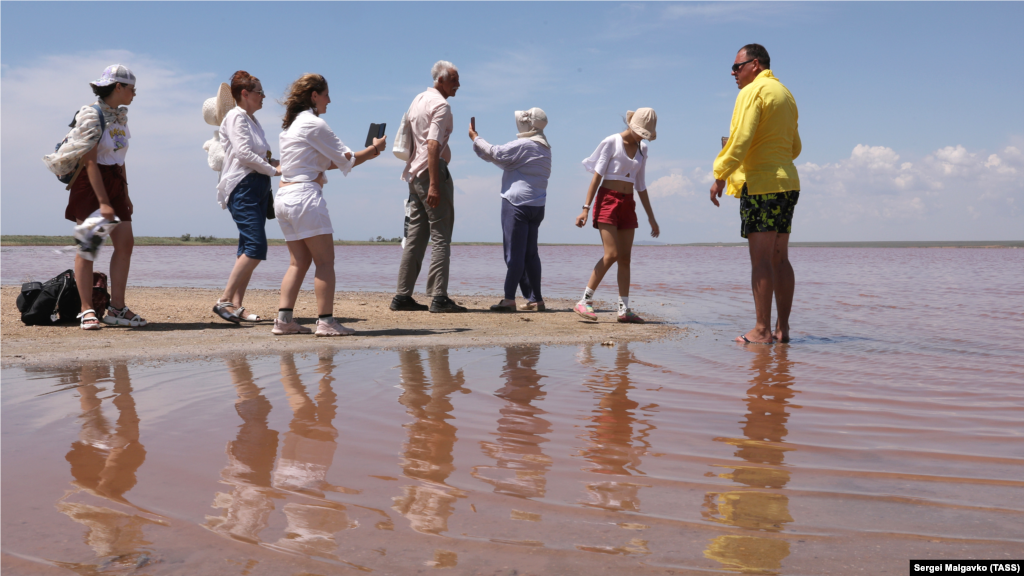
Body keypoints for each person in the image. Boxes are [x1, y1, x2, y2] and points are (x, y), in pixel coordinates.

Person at [272, 74, 386, 336]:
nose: (329, 100)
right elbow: (346, 157)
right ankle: (325, 322)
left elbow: (328, 162)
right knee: (325, 262)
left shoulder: (289, 128)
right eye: (326, 94)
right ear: (314, 95)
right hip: (304, 197)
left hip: (284, 198)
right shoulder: (314, 123)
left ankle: (284, 320)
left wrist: (366, 154)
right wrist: (375, 150)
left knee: (297, 262)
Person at [709, 44, 801, 344]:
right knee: (780, 259)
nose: (733, 73)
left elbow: (740, 140)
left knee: (760, 260)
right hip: (787, 183)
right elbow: (795, 147)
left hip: (762, 185)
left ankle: (761, 330)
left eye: (737, 66)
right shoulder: (785, 94)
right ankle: (782, 329)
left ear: (755, 64)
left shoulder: (751, 92)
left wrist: (720, 173)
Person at [44, 64, 146, 330]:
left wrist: (125, 194)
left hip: (115, 183)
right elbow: (89, 162)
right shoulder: (91, 115)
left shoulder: (121, 118)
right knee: (88, 246)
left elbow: (120, 160)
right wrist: (102, 202)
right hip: (90, 185)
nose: (135, 94)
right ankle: (86, 309)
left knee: (125, 244)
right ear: (119, 87)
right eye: (132, 89)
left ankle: (117, 309)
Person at [390, 61, 466, 314]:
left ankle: (402, 296)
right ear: (441, 80)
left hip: (413, 173)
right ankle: (439, 297)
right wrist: (435, 184)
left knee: (416, 236)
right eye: (454, 79)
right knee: (441, 236)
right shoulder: (441, 105)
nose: (458, 84)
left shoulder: (418, 99)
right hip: (430, 172)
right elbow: (432, 145)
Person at [573, 109, 661, 324]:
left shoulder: (643, 148)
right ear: (631, 125)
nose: (642, 136)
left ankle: (624, 310)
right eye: (640, 131)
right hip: (607, 200)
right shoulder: (611, 141)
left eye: (645, 133)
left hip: (628, 203)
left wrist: (651, 217)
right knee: (611, 254)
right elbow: (597, 177)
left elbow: (640, 185)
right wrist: (585, 207)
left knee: (625, 258)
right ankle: (584, 301)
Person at [211, 71, 281, 324]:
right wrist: (274, 169)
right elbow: (243, 154)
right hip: (243, 187)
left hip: (258, 186)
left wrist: (278, 163)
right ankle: (224, 301)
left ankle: (236, 306)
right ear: (245, 94)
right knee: (255, 246)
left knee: (246, 247)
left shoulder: (252, 121)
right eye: (259, 92)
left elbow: (259, 156)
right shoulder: (236, 117)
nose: (263, 96)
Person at [468, 108, 551, 312]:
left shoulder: (524, 144)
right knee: (531, 254)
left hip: (516, 204)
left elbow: (496, 153)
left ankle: (508, 299)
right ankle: (536, 299)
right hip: (537, 205)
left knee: (513, 254)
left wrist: (476, 138)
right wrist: (479, 146)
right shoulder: (545, 148)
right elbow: (502, 159)